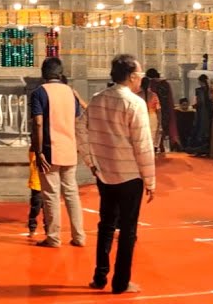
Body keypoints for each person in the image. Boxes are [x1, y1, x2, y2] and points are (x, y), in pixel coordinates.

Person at [82, 54, 155, 295]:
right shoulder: (134, 104)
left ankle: (100, 276)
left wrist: (91, 162)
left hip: (105, 174)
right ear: (132, 76)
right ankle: (121, 282)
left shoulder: (97, 99)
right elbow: (142, 145)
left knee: (106, 225)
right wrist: (150, 180)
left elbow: (79, 129)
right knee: (128, 230)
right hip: (130, 176)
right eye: (140, 75)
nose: (141, 79)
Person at [29, 58, 85, 248]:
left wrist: (38, 150)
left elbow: (38, 123)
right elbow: (77, 120)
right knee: (71, 193)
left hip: (49, 149)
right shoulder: (71, 92)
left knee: (51, 194)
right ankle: (79, 236)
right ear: (60, 73)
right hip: (69, 147)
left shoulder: (39, 93)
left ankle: (53, 237)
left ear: (43, 73)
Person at [185, 74, 212, 154]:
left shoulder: (199, 90)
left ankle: (197, 148)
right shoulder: (210, 90)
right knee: (207, 129)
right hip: (208, 112)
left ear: (200, 81)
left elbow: (199, 102)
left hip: (201, 112)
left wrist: (193, 106)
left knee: (199, 128)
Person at [26, 151, 43, 237]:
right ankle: (32, 228)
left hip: (47, 185)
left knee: (48, 210)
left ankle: (48, 229)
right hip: (37, 185)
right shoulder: (34, 153)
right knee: (35, 209)